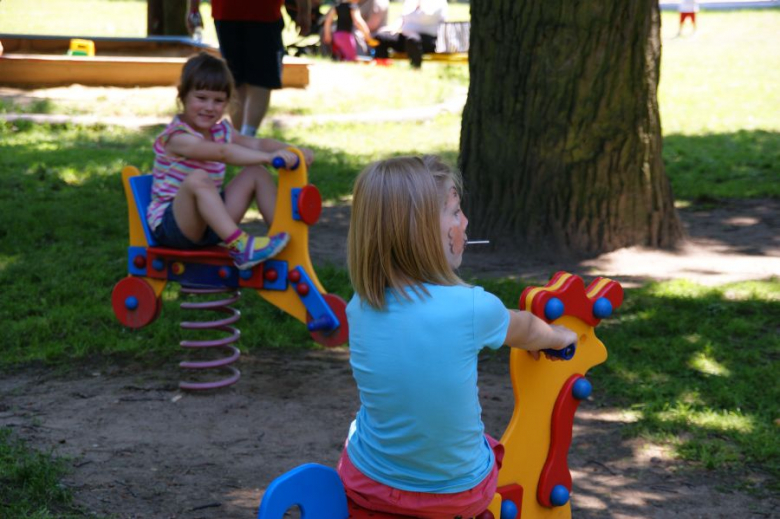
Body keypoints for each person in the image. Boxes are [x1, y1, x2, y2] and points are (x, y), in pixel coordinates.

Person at [338, 156, 576, 517]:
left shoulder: (359, 305)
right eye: (454, 212)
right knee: (484, 450)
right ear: (417, 233)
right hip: (455, 496)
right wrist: (559, 337)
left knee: (367, 428)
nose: (464, 222)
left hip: (366, 483)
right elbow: (527, 329)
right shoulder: (472, 307)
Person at [147, 52, 314, 270]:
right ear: (183, 96)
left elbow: (257, 144)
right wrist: (268, 158)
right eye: (201, 98)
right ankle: (241, 246)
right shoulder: (177, 137)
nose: (209, 107)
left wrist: (292, 150)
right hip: (175, 227)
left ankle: (285, 240)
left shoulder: (221, 131)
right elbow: (222, 153)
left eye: (218, 101)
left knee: (256, 172)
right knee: (198, 178)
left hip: (211, 224)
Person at [186, 0, 312, 137]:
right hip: (256, 12)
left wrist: (193, 9)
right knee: (255, 79)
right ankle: (243, 137)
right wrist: (304, 10)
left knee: (242, 78)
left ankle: (242, 137)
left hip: (240, 12)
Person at [373, 0, 447, 69]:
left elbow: (426, 17)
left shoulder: (439, 2)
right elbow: (404, 16)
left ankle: (415, 68)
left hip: (429, 40)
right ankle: (382, 65)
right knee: (381, 37)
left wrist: (420, 4)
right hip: (406, 36)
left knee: (412, 39)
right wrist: (393, 27)